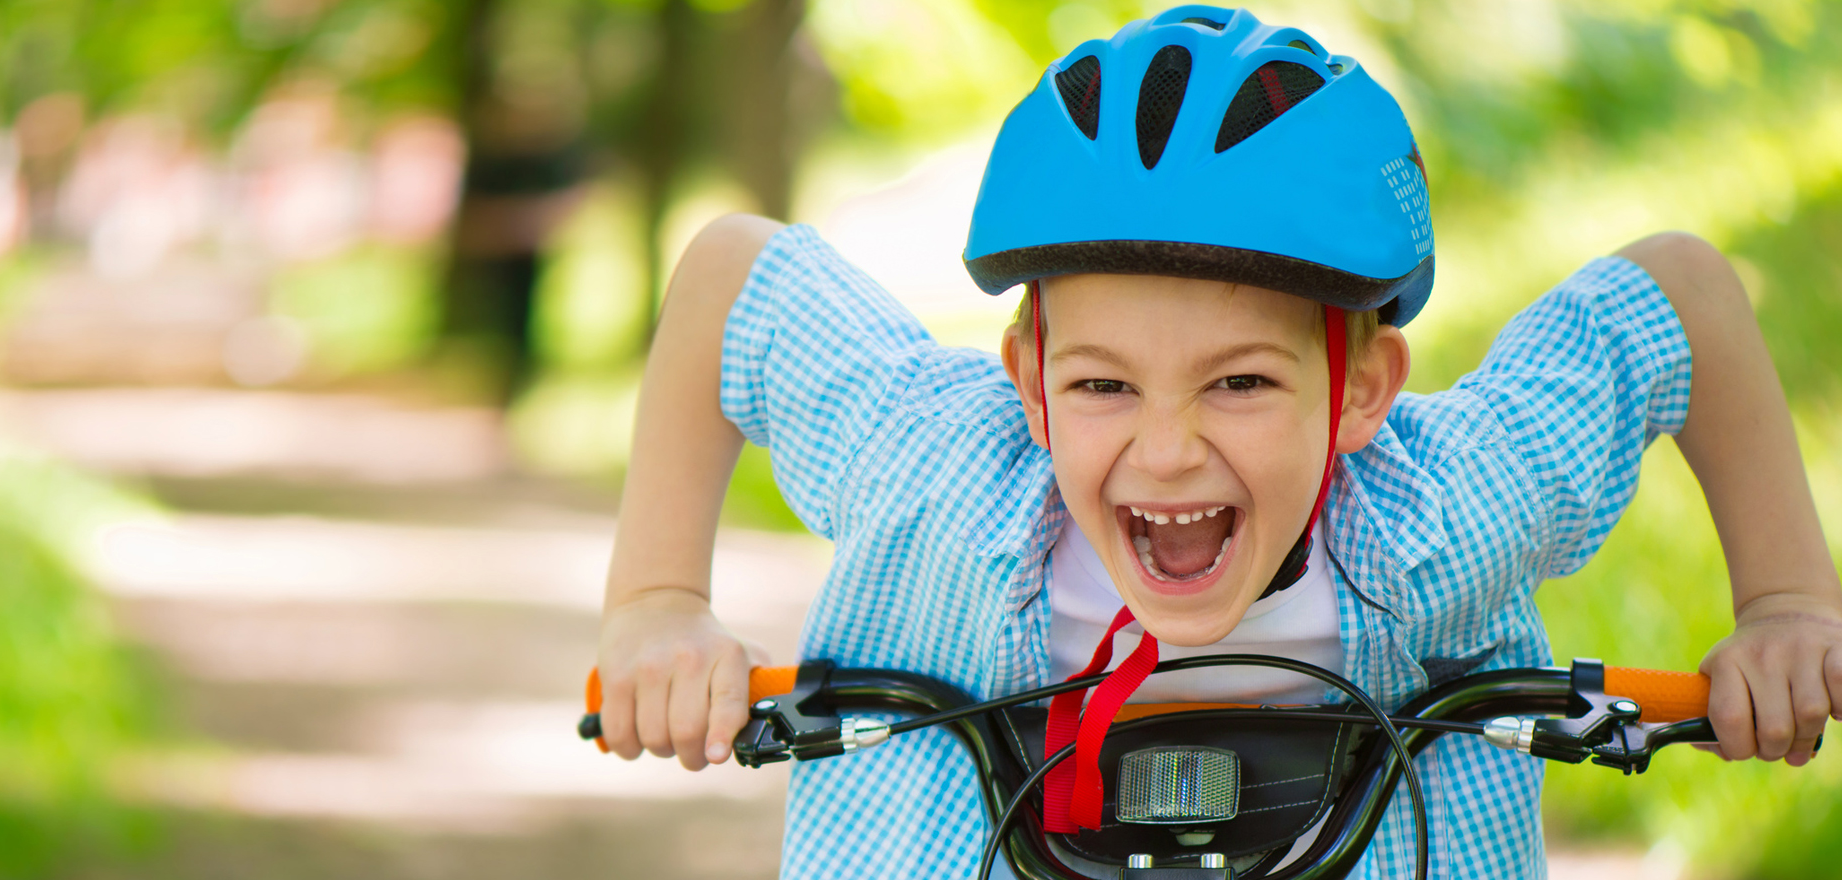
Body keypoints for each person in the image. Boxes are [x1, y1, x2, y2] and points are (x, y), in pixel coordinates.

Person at [592, 6, 1842, 877]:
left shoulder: (1447, 513)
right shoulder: (936, 477)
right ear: (1027, 377)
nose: (1169, 450)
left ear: (1358, 391)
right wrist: (658, 605)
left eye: (1239, 382)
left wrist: (1785, 602)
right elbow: (733, 279)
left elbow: (1671, 299)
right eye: (1102, 386)